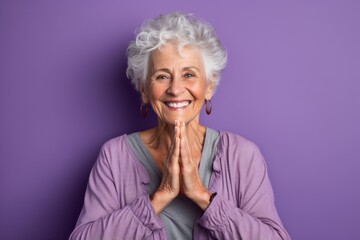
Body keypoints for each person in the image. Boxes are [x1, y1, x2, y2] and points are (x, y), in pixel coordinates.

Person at [69, 12, 291, 240]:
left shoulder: (242, 155)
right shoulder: (114, 156)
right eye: (162, 76)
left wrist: (203, 196)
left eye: (189, 74)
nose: (175, 89)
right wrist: (160, 197)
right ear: (144, 90)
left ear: (209, 87)